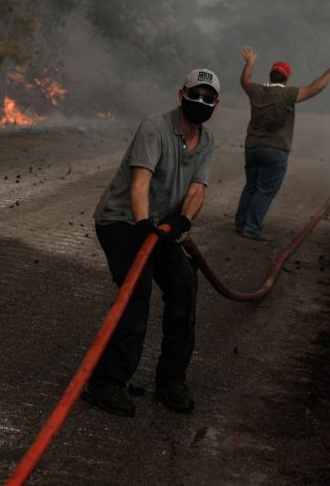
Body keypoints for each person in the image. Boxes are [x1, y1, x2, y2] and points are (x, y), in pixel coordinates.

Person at [85, 68, 221, 417]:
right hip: (122, 221)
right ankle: (105, 383)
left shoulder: (207, 141)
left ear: (216, 104)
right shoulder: (154, 128)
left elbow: (197, 189)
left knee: (185, 285)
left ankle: (171, 380)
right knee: (136, 291)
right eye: (195, 94)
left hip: (161, 227)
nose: (200, 101)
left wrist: (183, 221)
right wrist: (144, 223)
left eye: (208, 98)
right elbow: (140, 182)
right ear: (181, 95)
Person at [234, 47, 330, 241]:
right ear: (287, 78)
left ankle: (240, 223)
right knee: (265, 190)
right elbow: (314, 88)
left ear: (271, 75)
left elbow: (245, 80)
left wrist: (250, 63)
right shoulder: (288, 94)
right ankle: (252, 228)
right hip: (275, 151)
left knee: (251, 186)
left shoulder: (256, 91)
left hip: (252, 148)